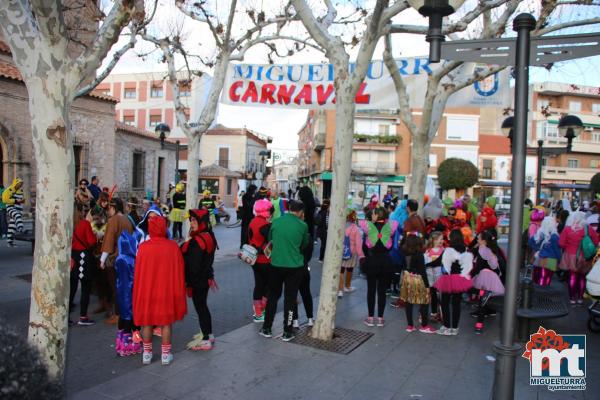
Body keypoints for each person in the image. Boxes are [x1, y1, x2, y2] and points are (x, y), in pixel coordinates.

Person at [133, 216, 187, 365]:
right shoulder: (172, 247)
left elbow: (138, 272)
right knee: (166, 323)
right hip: (165, 292)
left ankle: (147, 354)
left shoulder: (143, 247)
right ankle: (165, 355)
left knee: (147, 322)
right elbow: (179, 271)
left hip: (147, 291)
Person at [259, 200, 309, 341]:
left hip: (276, 265)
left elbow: (271, 239)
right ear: (300, 212)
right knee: (290, 299)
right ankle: (288, 331)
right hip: (294, 267)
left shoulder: (276, 222)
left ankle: (267, 327)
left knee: (273, 296)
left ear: (289, 209)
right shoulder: (303, 225)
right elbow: (304, 244)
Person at [182, 209, 218, 351]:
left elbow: (194, 266)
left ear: (202, 222)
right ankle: (208, 334)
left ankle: (205, 340)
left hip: (198, 280)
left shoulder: (198, 241)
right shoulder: (209, 235)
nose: (192, 223)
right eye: (191, 220)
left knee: (201, 307)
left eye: (195, 220)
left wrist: (187, 281)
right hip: (206, 277)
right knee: (203, 306)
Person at [359, 207, 399, 327]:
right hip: (386, 261)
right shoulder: (390, 228)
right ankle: (381, 318)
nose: (372, 215)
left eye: (373, 214)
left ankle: (370, 318)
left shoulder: (369, 228)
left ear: (377, 216)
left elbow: (364, 247)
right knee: (382, 290)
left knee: (371, 289)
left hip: (372, 261)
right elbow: (392, 247)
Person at [100, 198, 134, 324]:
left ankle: (118, 314)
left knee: (116, 287)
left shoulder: (113, 220)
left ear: (113, 208)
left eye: (109, 208)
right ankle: (124, 312)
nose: (108, 211)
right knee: (124, 287)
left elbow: (108, 240)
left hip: (116, 258)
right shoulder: (127, 219)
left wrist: (103, 259)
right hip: (128, 257)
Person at [434, 229, 473, 336]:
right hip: (460, 279)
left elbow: (438, 262)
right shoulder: (465, 249)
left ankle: (446, 326)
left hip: (448, 278)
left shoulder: (449, 249)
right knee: (456, 304)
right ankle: (454, 328)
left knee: (445, 302)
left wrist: (426, 264)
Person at [559, 211, 599, 305]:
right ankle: (580, 298)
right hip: (585, 256)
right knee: (582, 277)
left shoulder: (568, 229)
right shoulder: (588, 228)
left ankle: (572, 298)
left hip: (571, 256)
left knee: (572, 276)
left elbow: (561, 243)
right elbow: (596, 241)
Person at [471, 230, 505, 334]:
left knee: (482, 300)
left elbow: (479, 266)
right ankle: (483, 317)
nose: (477, 239)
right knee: (483, 300)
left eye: (479, 238)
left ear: (484, 241)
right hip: (489, 277)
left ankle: (479, 325)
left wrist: (470, 276)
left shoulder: (483, 251)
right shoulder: (488, 250)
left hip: (485, 277)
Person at [400, 234, 436, 333]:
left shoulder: (404, 253)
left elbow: (403, 267)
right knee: (424, 301)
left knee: (408, 301)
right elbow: (422, 271)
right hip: (418, 279)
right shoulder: (419, 255)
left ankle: (410, 325)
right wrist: (427, 286)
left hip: (407, 278)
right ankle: (424, 326)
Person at [69, 203, 98, 326]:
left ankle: (66, 316)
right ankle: (83, 316)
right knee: (85, 287)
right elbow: (91, 242)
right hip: (83, 257)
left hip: (72, 256)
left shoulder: (68, 224)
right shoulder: (84, 224)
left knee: (72, 288)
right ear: (80, 211)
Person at [247, 199, 273, 322]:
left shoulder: (252, 221)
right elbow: (271, 241)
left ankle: (257, 312)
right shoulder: (265, 225)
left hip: (254, 259)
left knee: (258, 285)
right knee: (268, 286)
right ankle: (262, 309)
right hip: (265, 260)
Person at [529, 216, 561, 287]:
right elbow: (557, 251)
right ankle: (542, 297)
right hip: (551, 260)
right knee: (545, 282)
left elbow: (531, 241)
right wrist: (559, 260)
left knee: (536, 280)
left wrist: (538, 248)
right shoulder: (555, 236)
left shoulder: (540, 234)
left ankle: (535, 296)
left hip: (539, 258)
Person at [338, 209, 364, 298]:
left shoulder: (341, 226)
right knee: (350, 269)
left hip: (341, 251)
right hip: (352, 252)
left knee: (341, 269)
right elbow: (359, 243)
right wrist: (361, 255)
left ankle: (340, 289)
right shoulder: (356, 229)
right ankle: (347, 286)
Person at [424, 231, 444, 321]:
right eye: (440, 239)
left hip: (439, 274)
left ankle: (438, 312)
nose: (442, 241)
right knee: (431, 294)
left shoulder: (443, 250)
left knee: (438, 294)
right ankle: (432, 312)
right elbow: (425, 261)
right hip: (429, 275)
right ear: (434, 240)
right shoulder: (428, 250)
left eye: (442, 239)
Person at [2, 177, 25, 247]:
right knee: (17, 215)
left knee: (12, 227)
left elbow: (21, 200)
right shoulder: (9, 190)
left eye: (21, 184)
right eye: (19, 184)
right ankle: (20, 229)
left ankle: (10, 242)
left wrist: (22, 201)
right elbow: (4, 200)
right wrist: (15, 201)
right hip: (11, 208)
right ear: (16, 183)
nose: (20, 185)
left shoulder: (21, 191)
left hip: (18, 209)